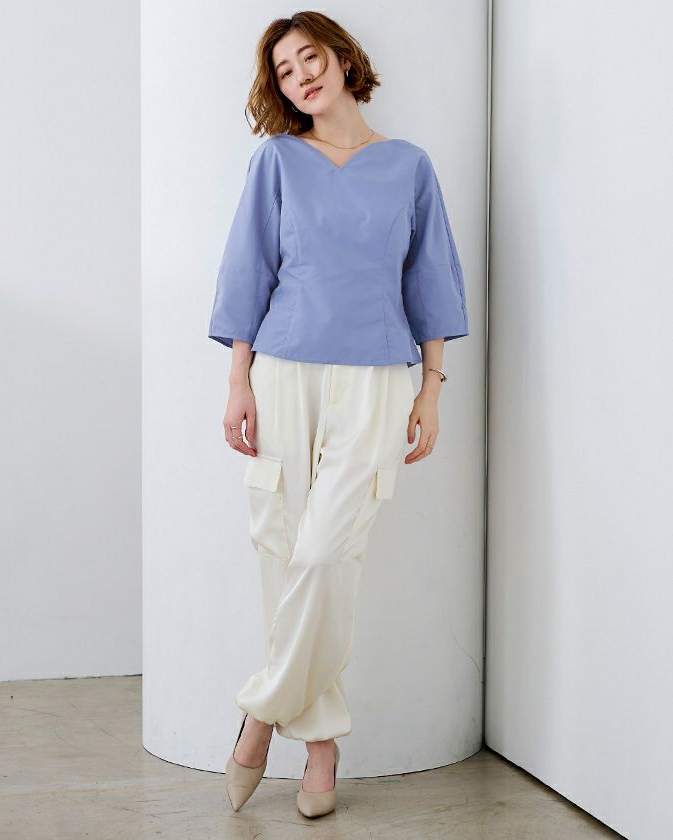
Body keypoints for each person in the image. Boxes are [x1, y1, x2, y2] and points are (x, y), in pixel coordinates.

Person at [208, 10, 469, 819]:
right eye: (284, 72)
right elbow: (248, 269)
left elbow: (431, 278)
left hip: (377, 379)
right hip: (283, 370)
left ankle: (260, 714)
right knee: (286, 552)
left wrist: (431, 388)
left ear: (343, 57)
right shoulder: (277, 161)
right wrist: (238, 381)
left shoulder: (409, 166)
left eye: (309, 58)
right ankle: (320, 746)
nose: (301, 78)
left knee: (328, 555)